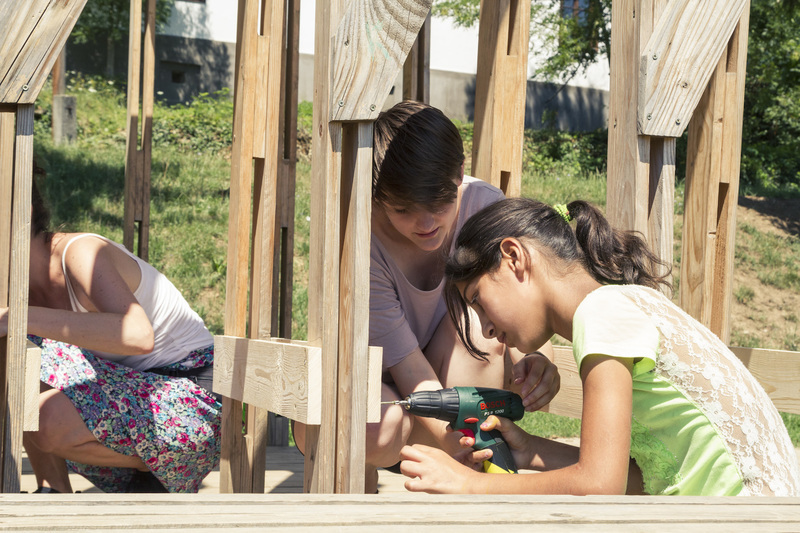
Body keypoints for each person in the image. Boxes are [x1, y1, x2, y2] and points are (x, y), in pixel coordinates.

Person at [399, 197, 800, 496]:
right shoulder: (628, 302)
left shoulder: (601, 315)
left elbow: (599, 486)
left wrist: (468, 485)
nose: (486, 329)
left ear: (514, 257)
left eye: (478, 301)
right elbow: (640, 478)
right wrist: (529, 451)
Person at [294, 101, 560, 491]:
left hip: (440, 381)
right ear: (378, 197)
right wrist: (470, 454)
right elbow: (409, 372)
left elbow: (521, 302)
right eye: (403, 209)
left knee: (480, 330)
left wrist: (537, 357)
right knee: (378, 430)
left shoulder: (483, 209)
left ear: (459, 176)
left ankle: (449, 458)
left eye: (440, 204)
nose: (426, 224)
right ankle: (420, 460)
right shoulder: (360, 239)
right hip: (373, 388)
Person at [0, 180, 221, 493]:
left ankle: (161, 466)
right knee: (19, 357)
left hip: (193, 402)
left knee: (44, 411)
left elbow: (137, 335)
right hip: (130, 395)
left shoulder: (81, 253)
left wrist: (18, 317)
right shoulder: (15, 285)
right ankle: (53, 492)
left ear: (20, 212)